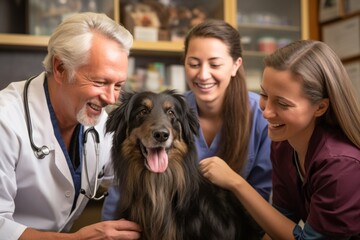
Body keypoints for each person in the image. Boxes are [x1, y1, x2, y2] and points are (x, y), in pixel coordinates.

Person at [101, 19, 272, 222]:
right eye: (194, 64)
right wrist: (109, 226)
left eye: (215, 64)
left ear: (236, 65)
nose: (203, 74)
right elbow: (125, 182)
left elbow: (264, 197)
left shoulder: (262, 117)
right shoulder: (171, 111)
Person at [0, 12, 141, 239]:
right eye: (100, 82)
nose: (111, 99)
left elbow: (129, 173)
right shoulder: (5, 120)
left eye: (118, 85)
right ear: (60, 68)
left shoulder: (98, 121)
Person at [200, 39, 360, 239]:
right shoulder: (283, 145)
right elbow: (280, 224)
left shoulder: (341, 165)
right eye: (264, 94)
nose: (266, 113)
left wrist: (236, 183)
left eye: (282, 104)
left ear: (320, 107)